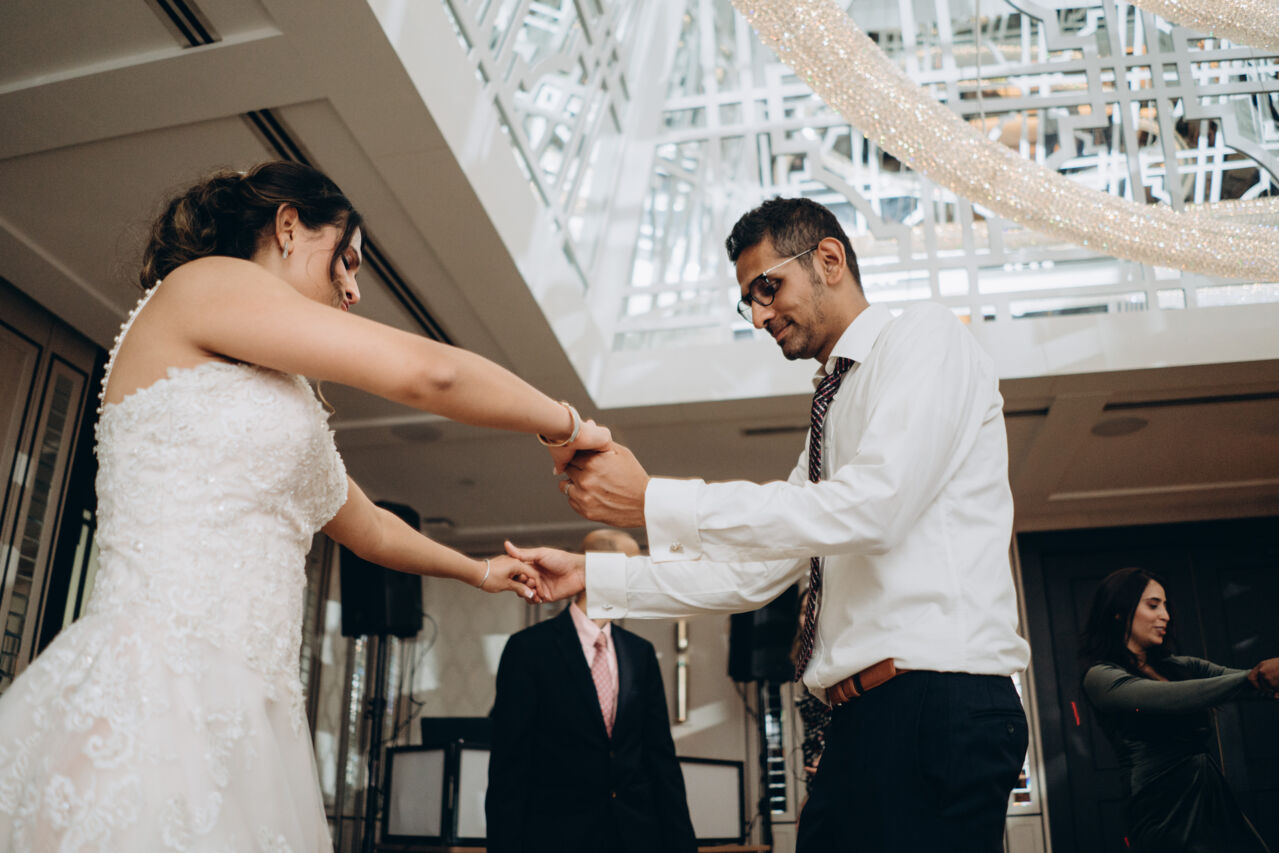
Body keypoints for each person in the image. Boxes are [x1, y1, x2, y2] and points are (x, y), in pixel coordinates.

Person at [0, 161, 609, 851]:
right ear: (288, 226)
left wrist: (478, 570)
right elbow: (431, 374)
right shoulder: (202, 283)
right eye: (345, 260)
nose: (353, 289)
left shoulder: (285, 392)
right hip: (156, 678)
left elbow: (370, 527)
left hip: (256, 714)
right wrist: (567, 426)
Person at [508, 197, 1032, 852]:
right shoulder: (834, 407)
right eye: (748, 302)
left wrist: (651, 499)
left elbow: (875, 507)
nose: (759, 316)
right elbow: (754, 572)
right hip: (863, 721)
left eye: (767, 287)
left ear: (829, 259)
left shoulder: (925, 337)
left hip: (936, 702)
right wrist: (597, 577)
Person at [486, 529, 697, 853]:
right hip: (555, 839)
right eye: (632, 570)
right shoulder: (529, 650)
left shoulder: (640, 653)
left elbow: (661, 760)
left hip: (637, 837)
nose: (639, 581)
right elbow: (509, 768)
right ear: (599, 570)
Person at [1080, 567, 1278, 853]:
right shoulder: (1100, 677)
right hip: (1162, 811)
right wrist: (1254, 677)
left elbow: (1249, 683)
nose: (1165, 615)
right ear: (1119, 612)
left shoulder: (1182, 666)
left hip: (1210, 798)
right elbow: (1172, 698)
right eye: (1153, 605)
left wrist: (1264, 679)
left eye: (1165, 606)